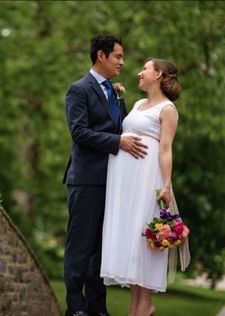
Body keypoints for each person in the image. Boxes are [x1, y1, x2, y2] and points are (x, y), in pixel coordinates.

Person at [62, 35, 148, 316]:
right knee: (80, 246)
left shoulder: (114, 92)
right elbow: (79, 132)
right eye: (118, 57)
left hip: (112, 181)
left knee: (101, 247)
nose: (122, 62)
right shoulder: (79, 90)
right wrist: (117, 143)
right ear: (101, 56)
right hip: (86, 180)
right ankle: (75, 307)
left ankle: (98, 308)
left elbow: (120, 129)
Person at [100, 58, 181, 316]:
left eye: (144, 69)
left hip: (148, 180)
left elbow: (166, 149)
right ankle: (136, 307)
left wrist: (166, 185)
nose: (139, 73)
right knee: (131, 239)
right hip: (125, 182)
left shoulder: (168, 110)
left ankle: (145, 305)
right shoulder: (136, 104)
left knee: (143, 238)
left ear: (157, 74)